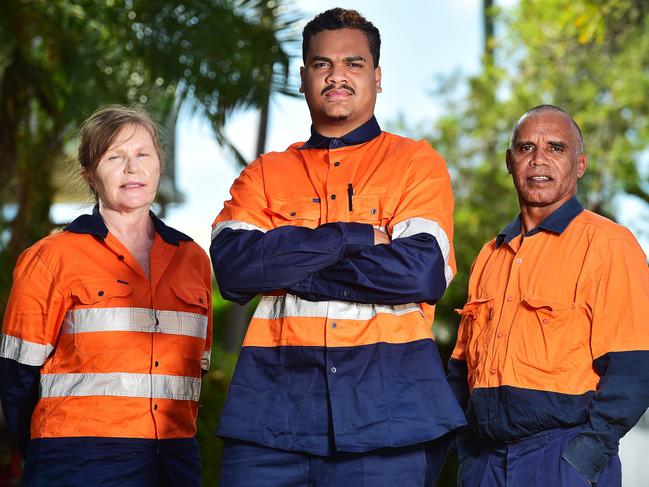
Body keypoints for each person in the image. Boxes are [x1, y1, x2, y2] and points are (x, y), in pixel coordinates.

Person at [210, 8, 466, 486]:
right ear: (303, 77)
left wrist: (288, 268)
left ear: (378, 76)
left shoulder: (416, 164)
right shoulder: (265, 174)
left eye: (354, 63)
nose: (337, 76)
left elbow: (420, 272)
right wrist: (353, 237)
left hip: (389, 419)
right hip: (272, 417)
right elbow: (236, 270)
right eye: (323, 64)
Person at [0, 105, 213, 486]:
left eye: (143, 154)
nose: (132, 168)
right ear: (89, 174)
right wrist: (48, 455)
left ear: (158, 164)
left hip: (175, 460)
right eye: (115, 156)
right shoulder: (50, 258)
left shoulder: (193, 259)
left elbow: (196, 371)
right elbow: (16, 378)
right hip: (78, 461)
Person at [448, 105, 649, 486]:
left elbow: (634, 370)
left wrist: (582, 459)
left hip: (561, 459)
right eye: (526, 148)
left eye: (556, 148)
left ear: (581, 164)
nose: (539, 159)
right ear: (510, 162)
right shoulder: (491, 256)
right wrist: (469, 454)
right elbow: (460, 371)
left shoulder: (608, 245)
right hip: (485, 464)